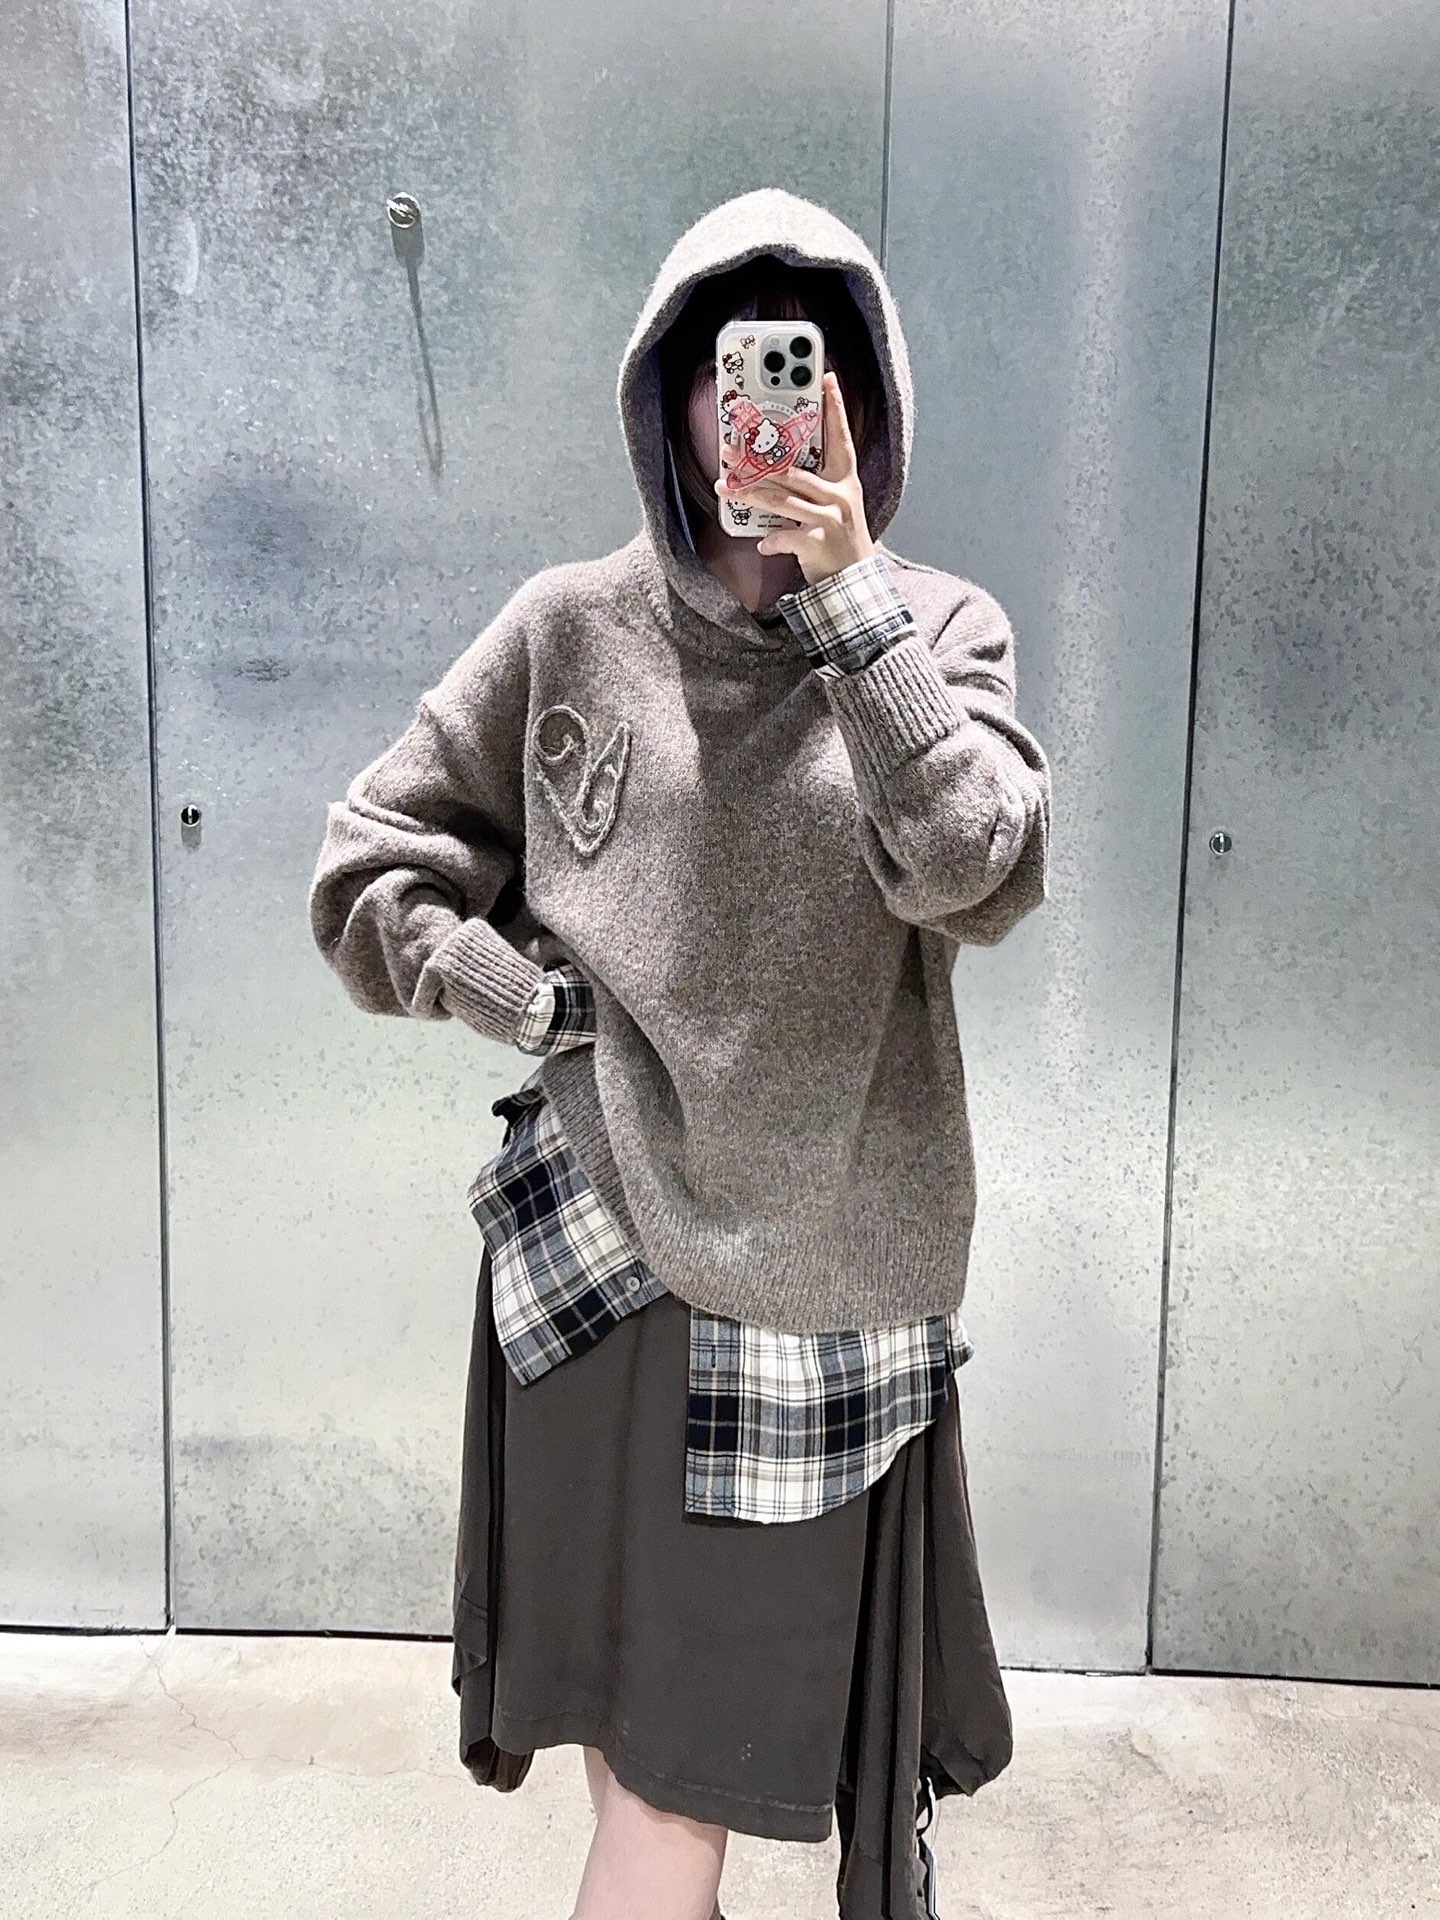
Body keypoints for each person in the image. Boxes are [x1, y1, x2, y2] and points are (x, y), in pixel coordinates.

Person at [308, 187, 1051, 1920]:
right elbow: (368, 863)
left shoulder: (940, 630)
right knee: (647, 1796)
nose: (757, 416)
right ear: (671, 400)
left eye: (798, 373)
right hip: (596, 1270)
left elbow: (977, 872)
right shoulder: (572, 624)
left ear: (859, 405)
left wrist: (850, 605)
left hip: (819, 1306)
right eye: (728, 373)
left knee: (668, 1794)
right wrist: (510, 993)